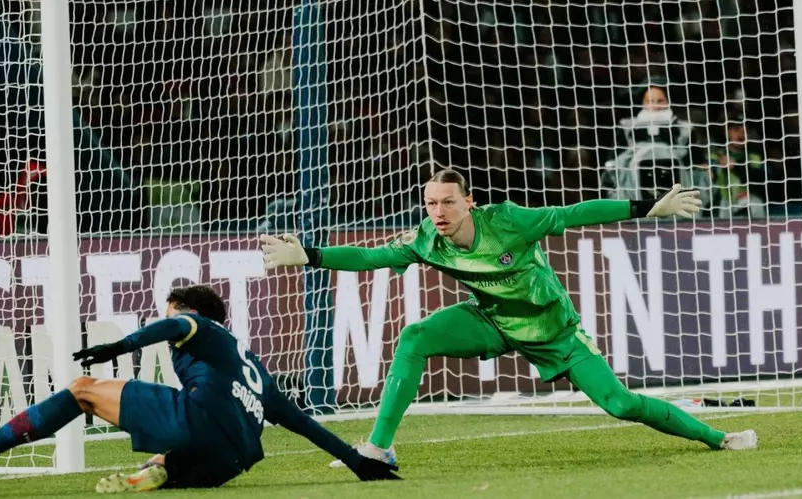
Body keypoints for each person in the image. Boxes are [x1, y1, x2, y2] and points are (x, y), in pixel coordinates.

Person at [259, 169, 757, 469]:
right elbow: (372, 257)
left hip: (553, 331)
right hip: (493, 321)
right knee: (415, 336)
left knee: (621, 404)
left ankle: (719, 437)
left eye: (448, 202)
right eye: (431, 203)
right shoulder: (426, 239)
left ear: (468, 202)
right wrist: (309, 255)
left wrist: (647, 208)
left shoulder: (507, 222)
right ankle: (378, 448)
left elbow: (572, 213)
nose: (438, 211)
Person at [0, 285, 399, 492]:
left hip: (198, 419)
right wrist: (356, 462)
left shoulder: (198, 326)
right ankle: (161, 470)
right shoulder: (253, 367)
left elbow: (177, 325)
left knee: (82, 389)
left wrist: (121, 345)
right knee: (178, 451)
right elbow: (301, 422)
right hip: (232, 460)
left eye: (170, 311)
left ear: (189, 311)